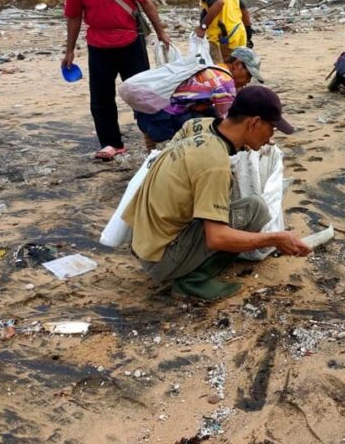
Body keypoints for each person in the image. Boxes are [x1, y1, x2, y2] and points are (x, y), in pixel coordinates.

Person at [123, 86, 311, 301]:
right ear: (254, 123)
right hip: (161, 258)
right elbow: (217, 238)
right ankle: (192, 282)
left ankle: (187, 266)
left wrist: (244, 144)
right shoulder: (215, 163)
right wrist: (276, 239)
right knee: (256, 211)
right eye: (271, 128)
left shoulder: (198, 126)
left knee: (249, 205)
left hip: (143, 241)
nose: (271, 136)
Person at [63, 0, 172, 161]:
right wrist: (69, 49)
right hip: (98, 45)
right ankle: (111, 143)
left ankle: (151, 137)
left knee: (141, 92)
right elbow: (74, 16)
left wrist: (161, 32)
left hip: (131, 41)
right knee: (101, 97)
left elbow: (145, 2)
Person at [134, 47, 264, 149]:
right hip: (165, 118)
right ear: (237, 65)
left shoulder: (213, 68)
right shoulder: (225, 81)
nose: (247, 81)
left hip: (150, 112)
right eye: (248, 75)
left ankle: (153, 146)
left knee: (211, 113)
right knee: (216, 127)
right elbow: (227, 120)